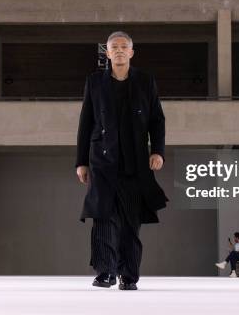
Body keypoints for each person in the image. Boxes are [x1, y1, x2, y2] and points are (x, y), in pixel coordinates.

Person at [75, 31, 168, 291]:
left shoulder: (145, 81)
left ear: (131, 52)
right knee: (103, 216)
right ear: (107, 53)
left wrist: (158, 151)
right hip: (102, 161)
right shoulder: (94, 82)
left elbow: (157, 120)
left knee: (130, 220)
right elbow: (86, 123)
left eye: (123, 47)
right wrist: (81, 161)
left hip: (135, 162)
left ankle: (129, 274)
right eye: (113, 47)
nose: (118, 50)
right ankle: (105, 272)